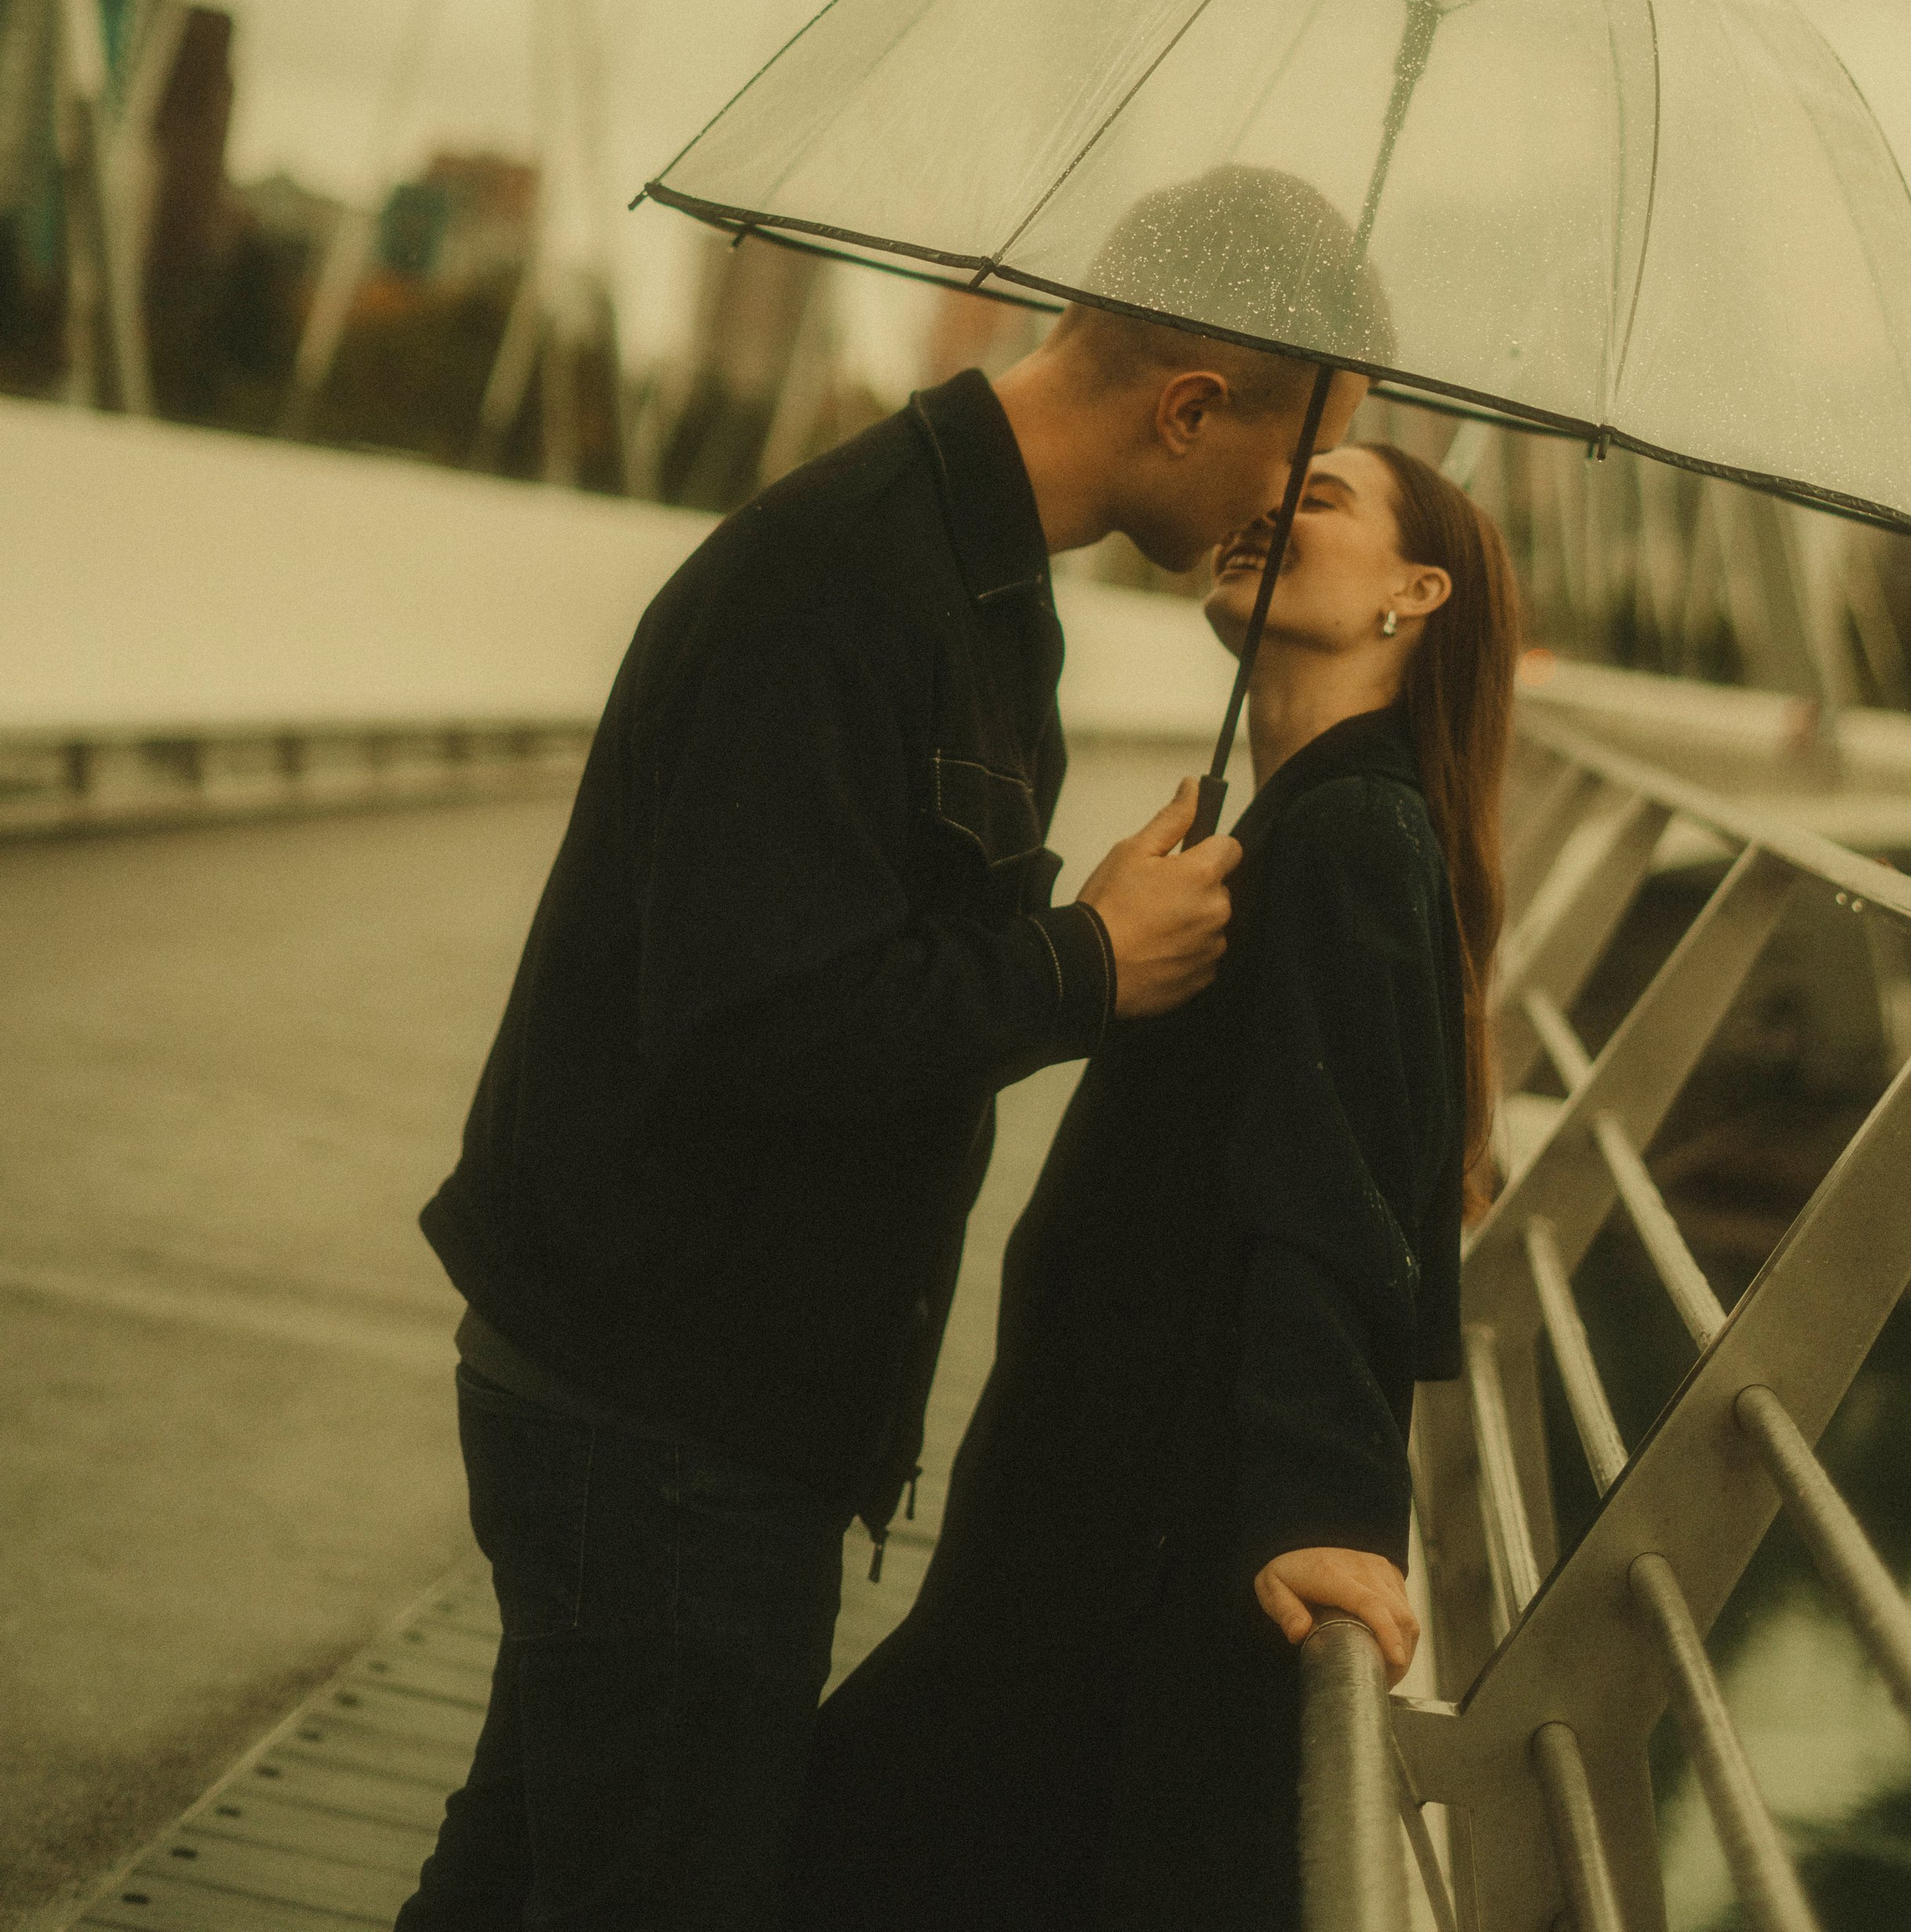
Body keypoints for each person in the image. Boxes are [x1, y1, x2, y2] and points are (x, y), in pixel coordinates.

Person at [395, 167, 1380, 1931]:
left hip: (695, 1402)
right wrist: (1084, 965)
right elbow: (754, 1012)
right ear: (1186, 407)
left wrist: (1080, 933)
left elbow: (862, 938)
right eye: (1288, 462)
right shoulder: (846, 579)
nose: (1268, 511)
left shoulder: (984, 587)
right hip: (668, 1410)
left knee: (522, 1882)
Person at [787, 439, 1519, 1932]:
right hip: (1083, 1526)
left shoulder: (1353, 834)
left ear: (1416, 594)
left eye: (1323, 497)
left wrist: (1326, 1502)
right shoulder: (1290, 828)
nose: (1269, 503)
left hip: (1133, 1555)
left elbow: (1338, 1200)